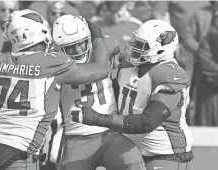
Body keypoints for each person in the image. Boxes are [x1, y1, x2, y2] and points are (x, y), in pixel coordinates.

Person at [0, 9, 110, 170]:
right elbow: (101, 69)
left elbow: (11, 58)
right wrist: (96, 33)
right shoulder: (51, 64)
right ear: (40, 33)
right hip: (19, 151)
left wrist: (11, 35)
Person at [72, 20, 194, 170]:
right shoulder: (128, 67)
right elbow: (114, 97)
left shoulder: (171, 75)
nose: (134, 48)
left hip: (164, 153)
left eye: (142, 46)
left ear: (160, 50)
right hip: (130, 146)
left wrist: (97, 119)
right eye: (136, 42)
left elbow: (147, 122)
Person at [48, 14, 145, 170]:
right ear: (59, 48)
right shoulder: (54, 65)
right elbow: (98, 69)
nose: (78, 50)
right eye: (71, 47)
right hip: (76, 137)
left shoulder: (108, 44)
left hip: (109, 133)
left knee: (133, 162)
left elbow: (122, 61)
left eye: (81, 43)